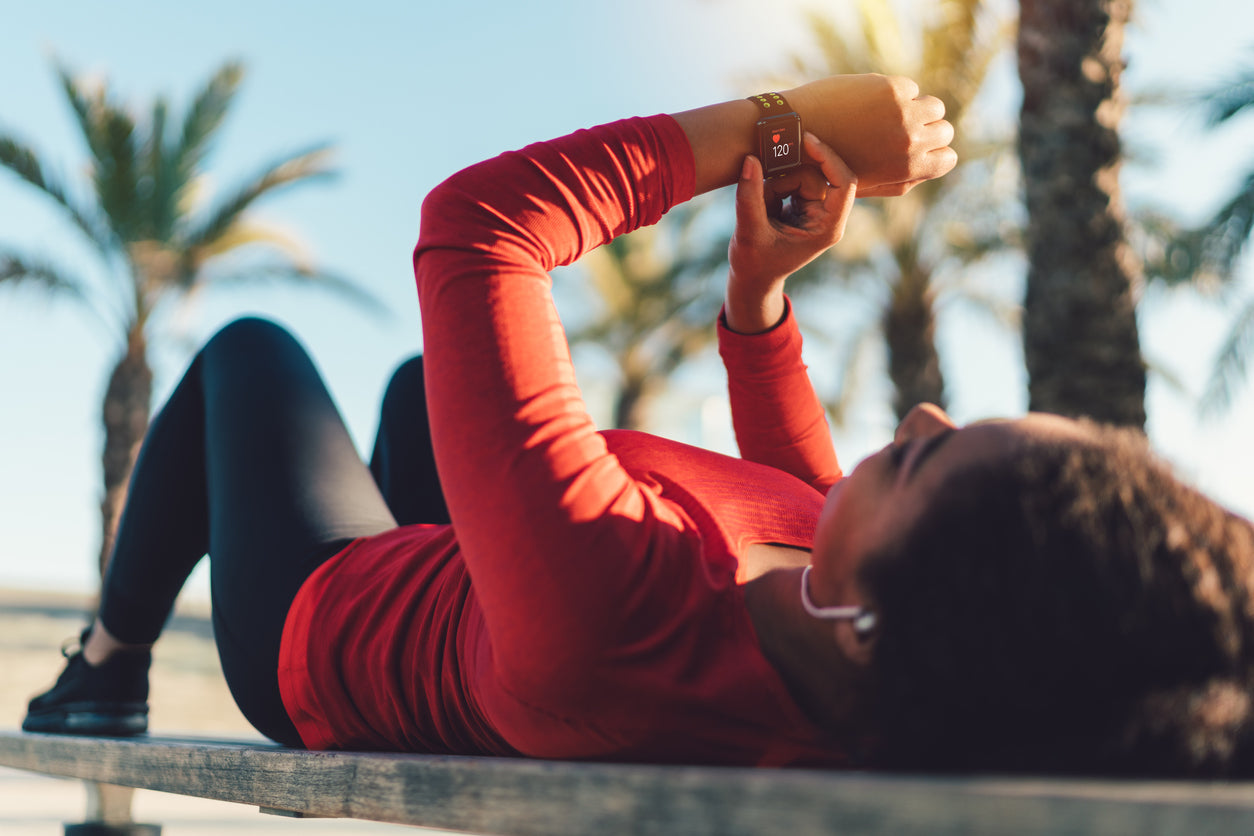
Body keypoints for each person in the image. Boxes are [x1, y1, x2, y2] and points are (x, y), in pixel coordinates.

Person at [22, 72, 1254, 776]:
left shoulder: (616, 610)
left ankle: (106, 671)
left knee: (252, 354)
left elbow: (477, 228)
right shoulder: (873, 641)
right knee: (413, 393)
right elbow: (798, 492)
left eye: (924, 452)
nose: (923, 408)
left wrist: (771, 122)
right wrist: (757, 289)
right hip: (500, 605)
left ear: (877, 621)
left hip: (322, 626)